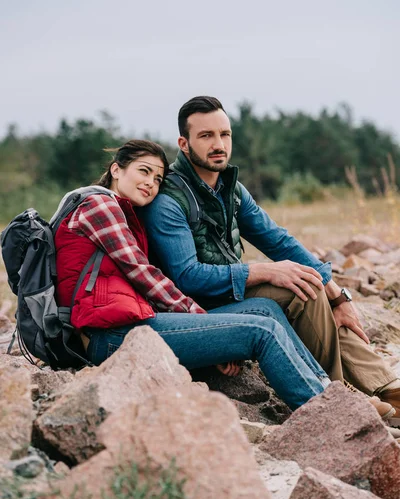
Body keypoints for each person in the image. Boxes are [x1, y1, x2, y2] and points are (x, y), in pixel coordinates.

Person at [141, 97, 400, 425]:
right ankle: (340, 393)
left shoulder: (230, 190)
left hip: (228, 294)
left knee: (308, 282)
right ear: (184, 143)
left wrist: (338, 295)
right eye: (206, 136)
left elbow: (278, 240)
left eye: (225, 134)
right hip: (195, 310)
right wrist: (263, 270)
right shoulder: (169, 201)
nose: (219, 144)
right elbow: (187, 276)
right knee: (298, 289)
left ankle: (387, 387)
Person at [54, 139, 339, 412]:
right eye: (143, 171)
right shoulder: (100, 206)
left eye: (157, 178)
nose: (150, 183)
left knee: (266, 308)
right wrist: (205, 326)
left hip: (131, 322)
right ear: (116, 169)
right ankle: (323, 412)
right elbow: (145, 276)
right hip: (108, 336)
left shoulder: (125, 213)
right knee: (260, 331)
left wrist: (210, 331)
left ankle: (325, 389)